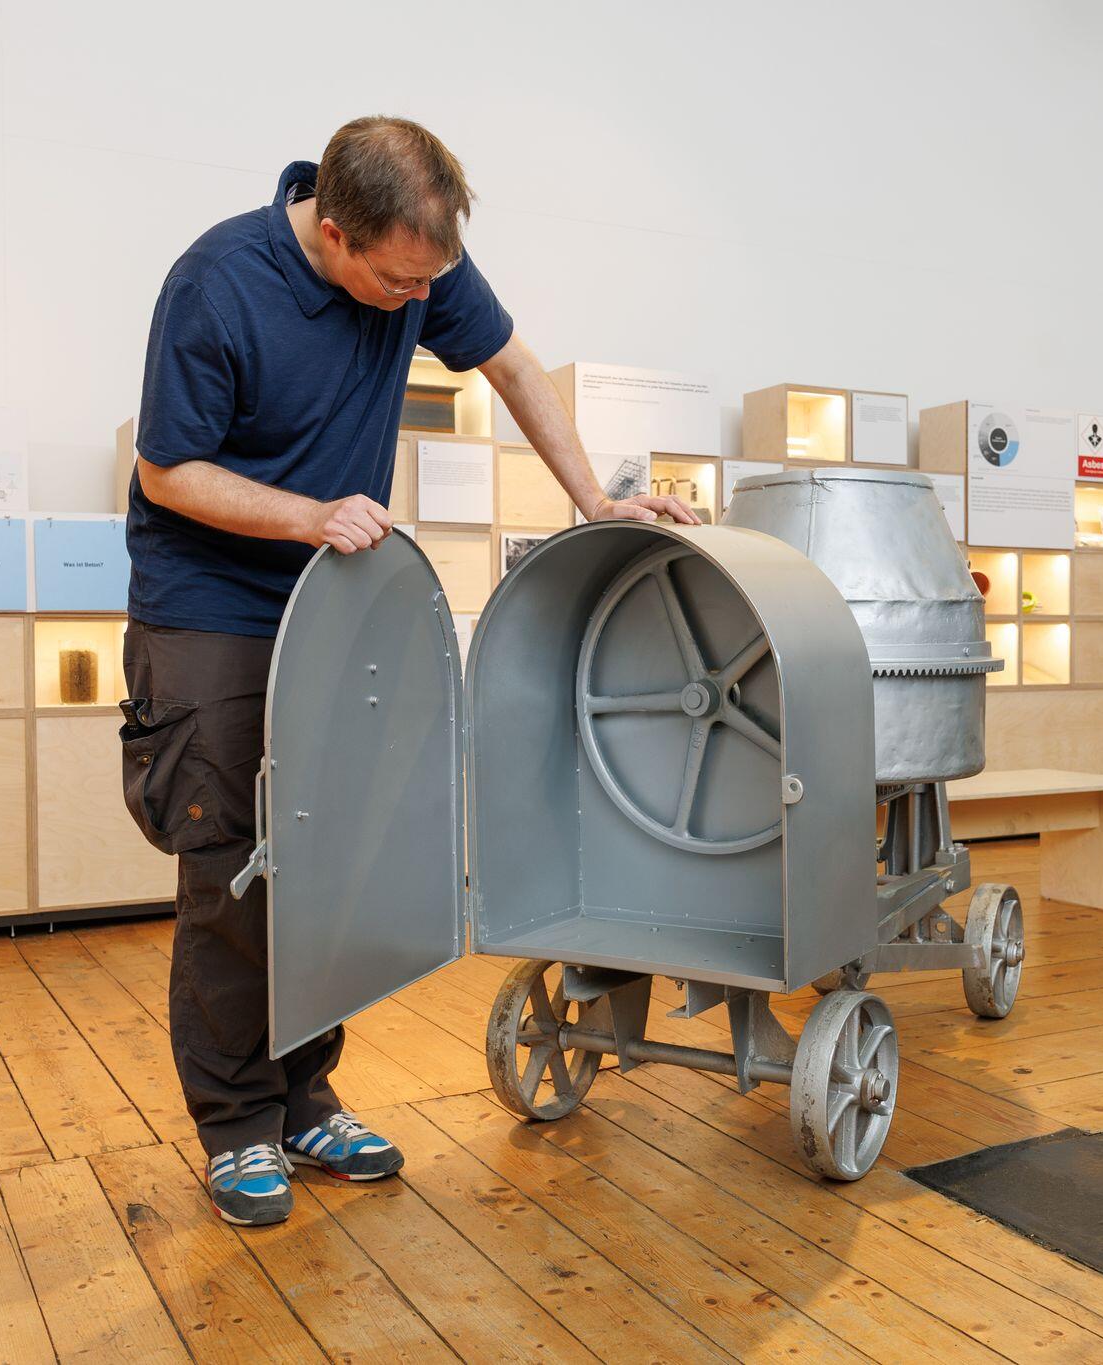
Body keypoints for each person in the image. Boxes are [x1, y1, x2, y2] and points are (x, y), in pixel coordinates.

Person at [120, 116, 695, 1226]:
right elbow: (167, 471)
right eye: (398, 283)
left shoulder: (419, 261)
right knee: (236, 868)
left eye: (430, 281)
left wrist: (594, 501)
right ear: (334, 233)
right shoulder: (215, 284)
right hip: (211, 609)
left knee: (329, 858)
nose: (417, 301)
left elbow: (512, 364)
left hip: (331, 601)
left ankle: (305, 1100)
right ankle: (237, 1124)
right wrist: (308, 515)